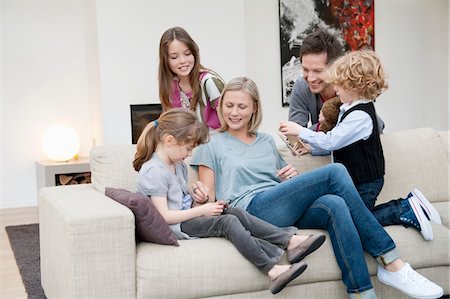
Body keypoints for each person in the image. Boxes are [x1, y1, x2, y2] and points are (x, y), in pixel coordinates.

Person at [190, 77, 444, 299]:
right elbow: (209, 200)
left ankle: (362, 293)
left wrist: (291, 177)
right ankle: (392, 261)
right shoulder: (211, 144)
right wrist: (198, 195)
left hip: (279, 204)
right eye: (229, 106)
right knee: (335, 172)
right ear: (221, 107)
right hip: (252, 211)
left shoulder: (266, 141)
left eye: (242, 106)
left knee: (335, 204)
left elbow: (281, 183)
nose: (234, 112)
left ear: (254, 108)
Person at [133, 108, 326, 295]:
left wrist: (195, 196)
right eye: (188, 148)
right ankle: (272, 270)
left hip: (185, 219)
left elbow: (179, 200)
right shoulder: (154, 171)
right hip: (176, 226)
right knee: (227, 222)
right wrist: (203, 210)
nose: (190, 153)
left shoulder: (177, 165)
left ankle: (290, 241)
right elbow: (165, 216)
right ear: (169, 141)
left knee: (233, 211)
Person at [280, 50, 442, 242]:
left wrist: (300, 131)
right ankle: (409, 205)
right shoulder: (347, 108)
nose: (335, 87)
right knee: (352, 218)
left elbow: (332, 139)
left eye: (340, 84)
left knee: (357, 222)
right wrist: (312, 149)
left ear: (356, 87)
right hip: (355, 181)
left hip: (366, 182)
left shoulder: (360, 116)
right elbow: (338, 144)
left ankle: (403, 208)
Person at [288, 28, 385, 132]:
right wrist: (322, 126)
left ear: (335, 67)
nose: (310, 78)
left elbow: (377, 126)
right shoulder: (301, 86)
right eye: (305, 69)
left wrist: (334, 117)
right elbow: (295, 134)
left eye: (318, 71)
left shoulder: (351, 85)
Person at [158, 27, 225, 132]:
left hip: (215, 145)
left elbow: (228, 123)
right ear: (165, 60)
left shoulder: (209, 82)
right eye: (174, 57)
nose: (183, 61)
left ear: (194, 53)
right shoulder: (170, 87)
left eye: (187, 54)